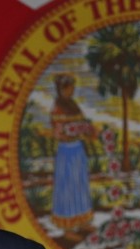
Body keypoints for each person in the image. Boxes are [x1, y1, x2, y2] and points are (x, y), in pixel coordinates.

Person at [50, 74, 94, 236]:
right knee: (67, 187)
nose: (71, 92)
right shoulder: (57, 107)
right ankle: (68, 228)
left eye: (72, 89)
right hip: (66, 151)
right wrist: (68, 132)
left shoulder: (74, 105)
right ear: (61, 89)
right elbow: (57, 132)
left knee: (80, 185)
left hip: (78, 150)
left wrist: (86, 129)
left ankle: (82, 222)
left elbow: (82, 123)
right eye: (69, 89)